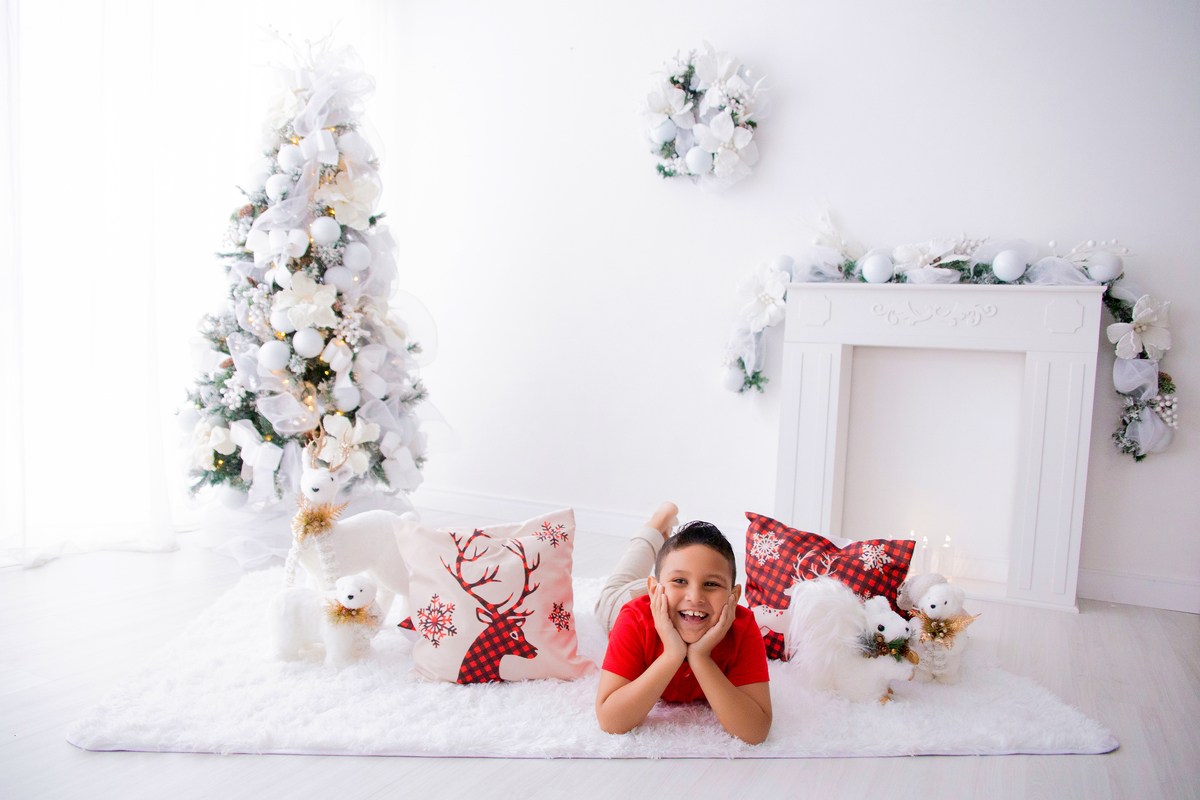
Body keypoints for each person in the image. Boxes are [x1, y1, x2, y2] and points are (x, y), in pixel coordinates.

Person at [593, 502, 772, 744]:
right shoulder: (633, 618)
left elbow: (755, 731)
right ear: (655, 588)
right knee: (619, 581)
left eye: (711, 584)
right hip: (637, 598)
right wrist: (672, 654)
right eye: (680, 580)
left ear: (734, 596)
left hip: (674, 603)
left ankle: (668, 554)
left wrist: (700, 657)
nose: (695, 596)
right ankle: (658, 522)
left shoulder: (742, 627)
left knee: (666, 574)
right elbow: (610, 721)